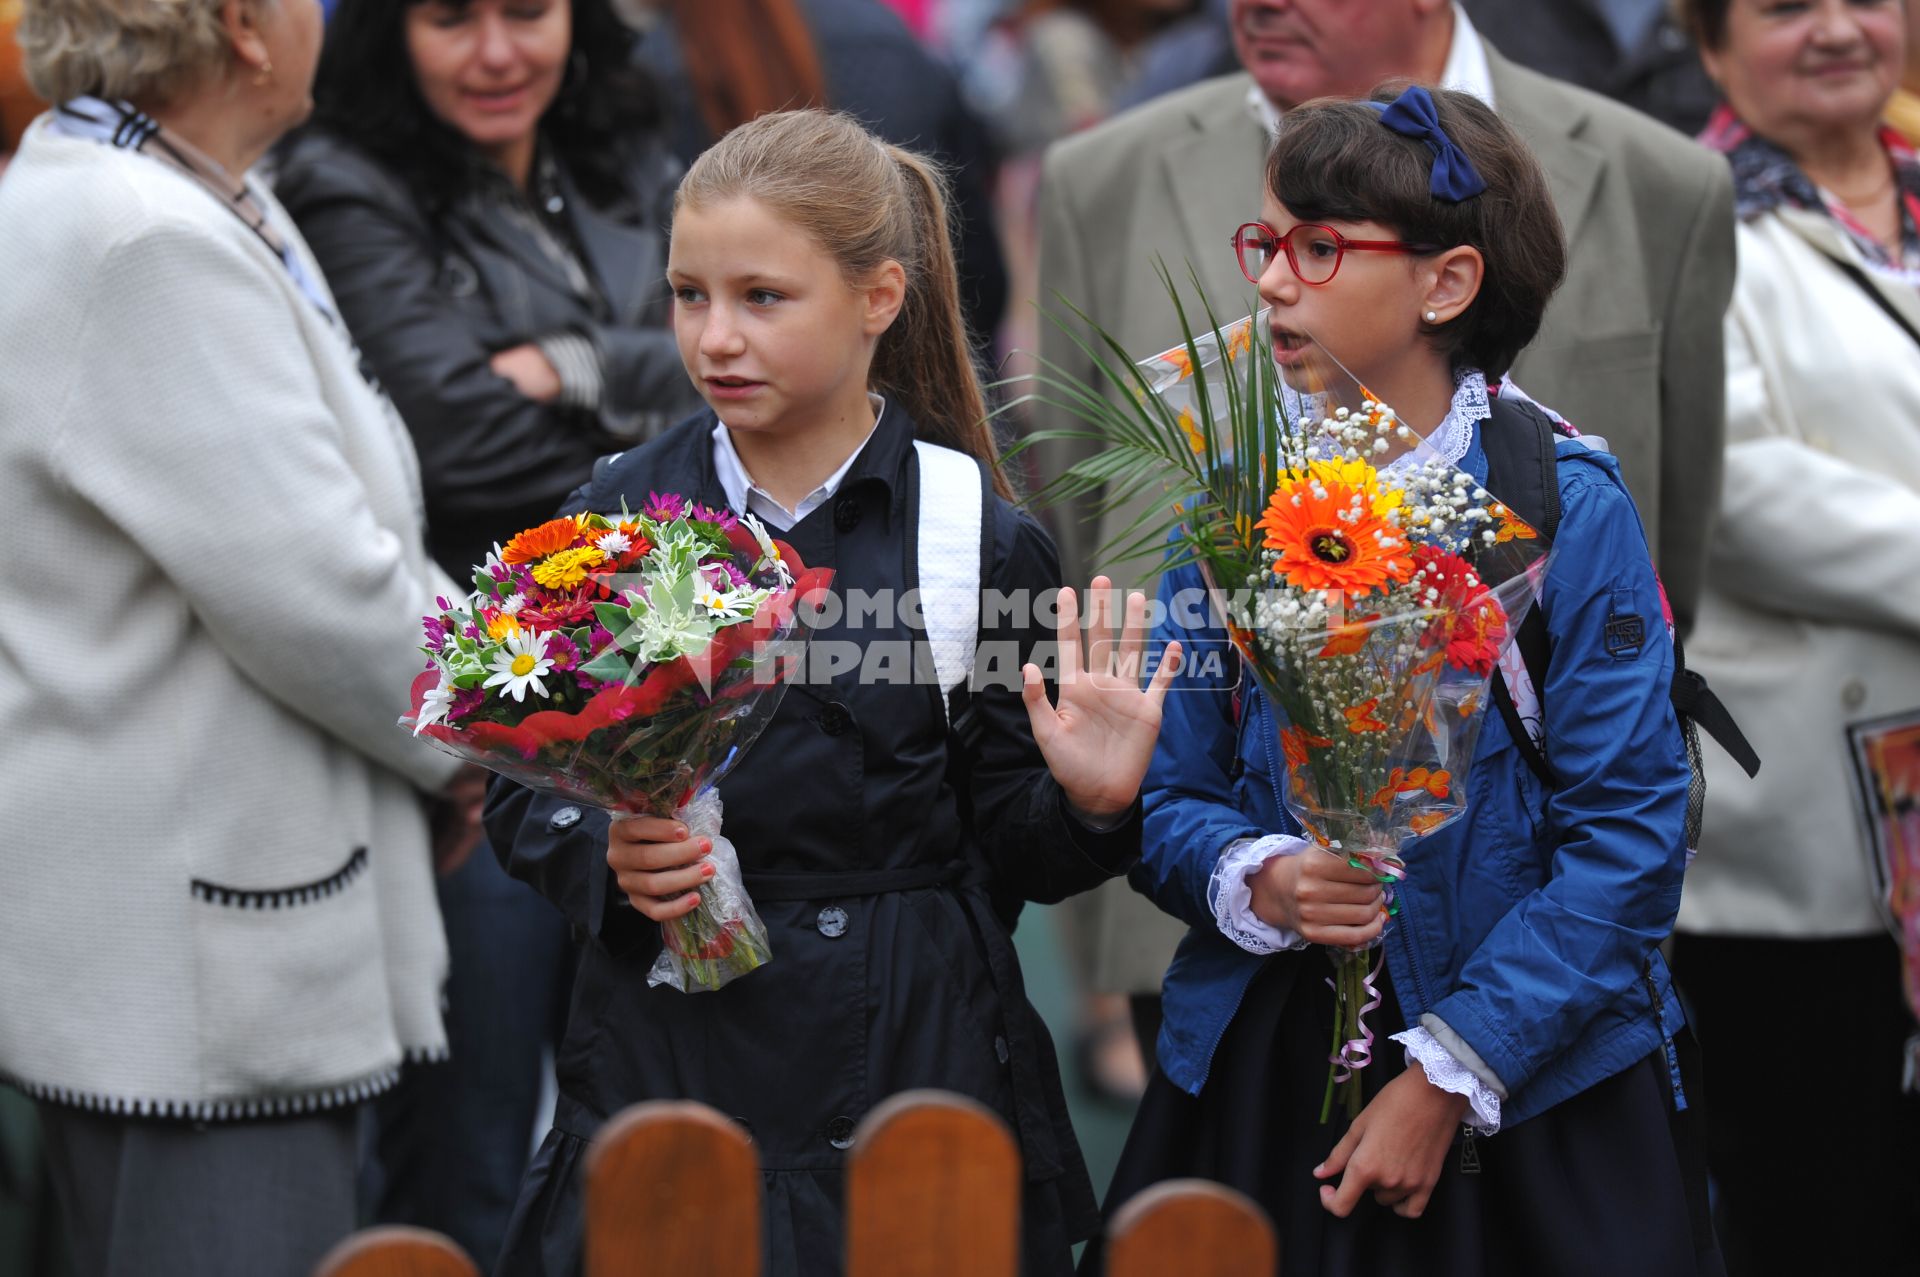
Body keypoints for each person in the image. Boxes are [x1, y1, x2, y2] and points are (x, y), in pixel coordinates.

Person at [485, 107, 1180, 1277]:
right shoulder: (606, 515)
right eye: (689, 293)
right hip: (669, 1048)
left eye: (763, 297)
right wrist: (602, 845)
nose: (715, 336)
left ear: (878, 296)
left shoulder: (975, 535)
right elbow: (522, 784)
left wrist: (1093, 806)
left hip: (910, 1050)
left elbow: (1011, 841)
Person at [1084, 84, 1720, 1277]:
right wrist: (1265, 875)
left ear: (1448, 283)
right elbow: (1174, 800)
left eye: (1320, 249)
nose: (1272, 281)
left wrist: (1453, 1067)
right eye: (1266, 244)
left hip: (1530, 1074)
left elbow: (1630, 836)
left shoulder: (1564, 504)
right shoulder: (1236, 500)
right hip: (1276, 1056)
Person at [0, 2, 477, 1275]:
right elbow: (313, 580)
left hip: (186, 930)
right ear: (241, 29)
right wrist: (506, 733)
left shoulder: (149, 193)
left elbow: (334, 527)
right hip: (199, 973)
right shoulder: (142, 231)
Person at [272, 3, 700, 1264]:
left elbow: (742, 350)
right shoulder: (344, 179)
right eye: (452, 18)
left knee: (656, 1121)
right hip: (488, 712)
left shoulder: (622, 144)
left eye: (527, 11)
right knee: (472, 1131)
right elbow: (452, 434)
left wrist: (564, 363)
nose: (498, 52)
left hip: (665, 691)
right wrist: (655, 437)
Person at [1667, 1, 1920, 1270]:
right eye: (1782, 8)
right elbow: (1742, 487)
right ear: (1709, 47)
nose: (1836, 28)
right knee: (1823, 1189)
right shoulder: (1695, 220)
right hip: (1808, 822)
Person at [634, 0, 1010, 350]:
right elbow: (976, 269)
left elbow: (645, 289)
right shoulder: (891, 38)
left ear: (882, 295)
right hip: (917, 365)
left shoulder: (656, 66)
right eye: (691, 295)